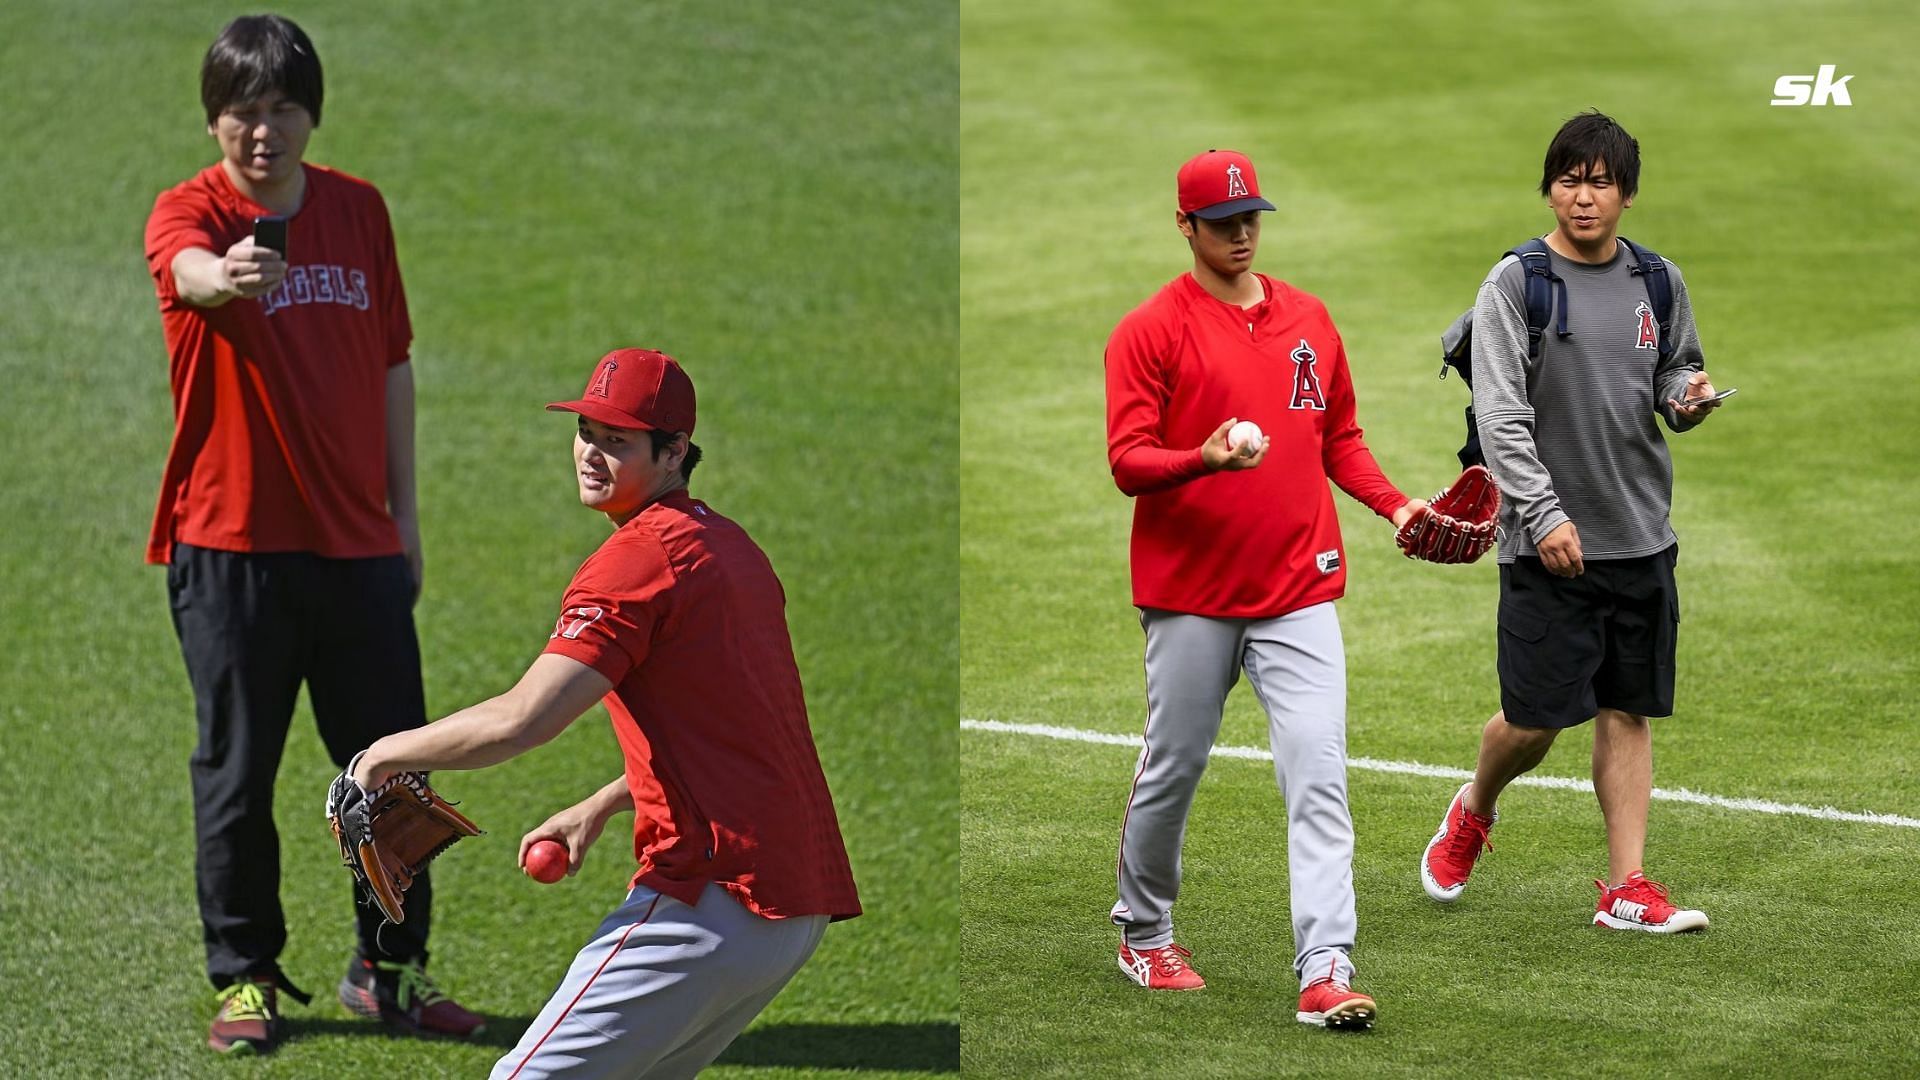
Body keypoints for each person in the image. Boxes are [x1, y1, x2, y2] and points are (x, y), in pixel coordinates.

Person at [346, 348, 862, 1078]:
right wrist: (605, 801)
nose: (591, 453)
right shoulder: (731, 547)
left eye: (616, 440)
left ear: (675, 449)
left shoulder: (638, 560)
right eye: (586, 431)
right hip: (791, 910)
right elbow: (738, 729)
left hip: (710, 901)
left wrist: (379, 757)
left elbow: (523, 719)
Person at [143, 14, 483, 1054]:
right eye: (244, 112)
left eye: (283, 109)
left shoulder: (359, 212)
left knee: (392, 776)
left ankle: (391, 971)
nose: (264, 132)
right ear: (215, 121)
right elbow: (187, 273)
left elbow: (393, 365)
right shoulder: (189, 214)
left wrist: (406, 521)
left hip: (360, 552)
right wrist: (229, 275)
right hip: (231, 548)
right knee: (237, 777)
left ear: (310, 115)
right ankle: (245, 976)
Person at [1102, 149, 1424, 1030]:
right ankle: (1144, 928)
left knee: (1318, 774)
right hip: (1189, 595)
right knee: (1173, 768)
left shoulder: (1310, 320)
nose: (1241, 233)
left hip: (1297, 588)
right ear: (1185, 228)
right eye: (1221, 222)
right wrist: (1201, 458)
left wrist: (1396, 507)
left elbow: (1339, 438)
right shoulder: (1150, 331)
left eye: (1251, 218)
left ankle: (1326, 967)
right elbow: (1127, 462)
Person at [1418, 111, 1724, 933]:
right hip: (1544, 541)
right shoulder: (1515, 284)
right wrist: (1542, 513)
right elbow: (1504, 418)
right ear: (1549, 187)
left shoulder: (1658, 281)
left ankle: (1627, 885)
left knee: (1628, 707)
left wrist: (1685, 399)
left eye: (1599, 182)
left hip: (1639, 533)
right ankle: (1475, 807)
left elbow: (1674, 370)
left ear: (1627, 193)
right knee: (1536, 720)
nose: (1582, 198)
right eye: (1569, 180)